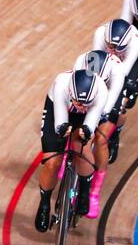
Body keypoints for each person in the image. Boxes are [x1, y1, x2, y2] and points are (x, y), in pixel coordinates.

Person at [35, 67, 110, 233]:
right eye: (78, 101)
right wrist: (62, 128)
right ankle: (45, 203)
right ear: (71, 91)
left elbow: (90, 122)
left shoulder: (102, 92)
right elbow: (60, 120)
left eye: (85, 103)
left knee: (81, 147)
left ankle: (84, 192)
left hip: (87, 116)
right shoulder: (61, 83)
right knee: (52, 162)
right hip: (58, 109)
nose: (81, 105)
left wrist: (86, 131)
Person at [73, 48, 124, 219]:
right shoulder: (82, 61)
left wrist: (96, 120)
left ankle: (94, 193)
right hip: (86, 95)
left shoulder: (116, 71)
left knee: (101, 139)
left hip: (109, 98)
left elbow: (109, 101)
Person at [89, 17, 138, 164]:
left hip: (126, 65)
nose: (112, 50)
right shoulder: (100, 33)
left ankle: (115, 133)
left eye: (117, 48)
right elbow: (96, 59)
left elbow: (122, 73)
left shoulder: (135, 43)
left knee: (122, 103)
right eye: (109, 45)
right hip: (105, 64)